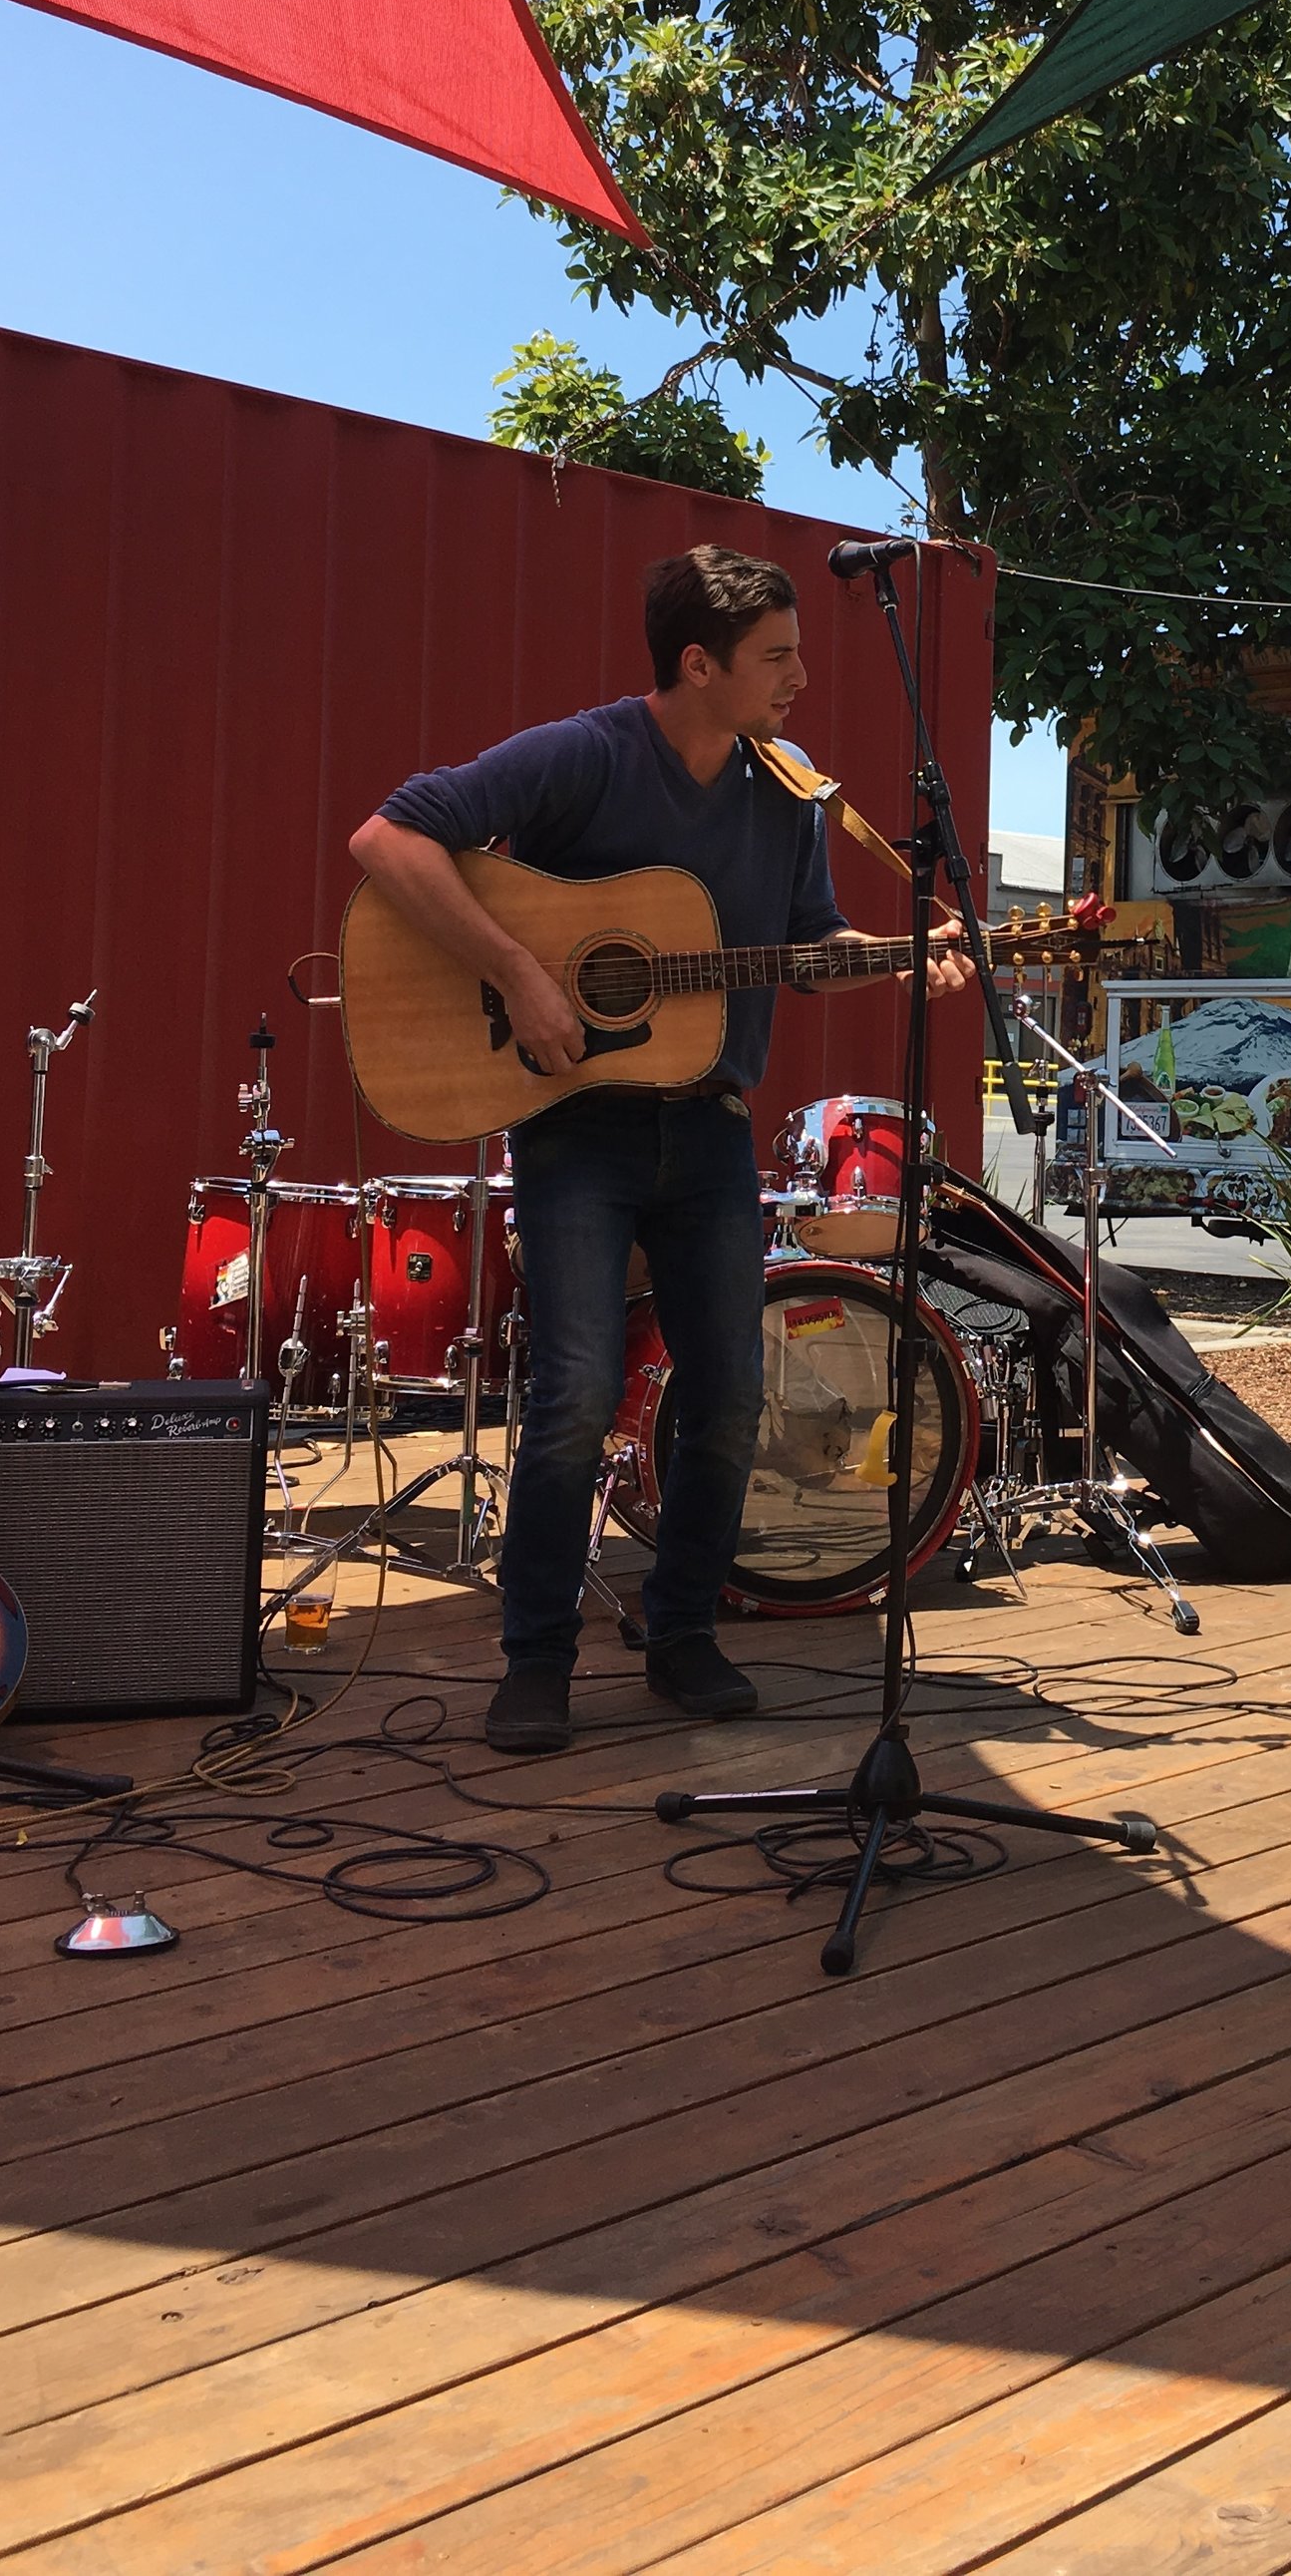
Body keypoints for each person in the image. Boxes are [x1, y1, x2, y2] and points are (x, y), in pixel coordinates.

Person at [349, 545, 967, 1753]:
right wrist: (523, 972)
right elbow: (389, 840)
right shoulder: (585, 755)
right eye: (776, 657)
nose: (799, 679)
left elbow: (810, 945)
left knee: (728, 1396)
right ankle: (535, 1659)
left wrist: (904, 957)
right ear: (698, 664)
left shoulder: (786, 791)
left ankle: (683, 1633)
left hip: (712, 1129)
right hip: (576, 1130)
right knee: (575, 1394)